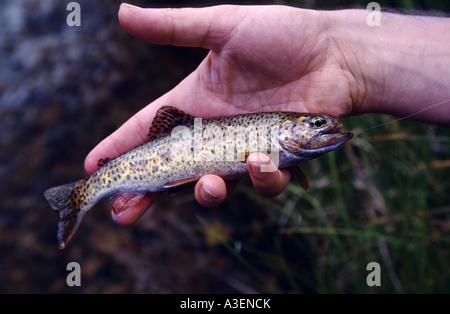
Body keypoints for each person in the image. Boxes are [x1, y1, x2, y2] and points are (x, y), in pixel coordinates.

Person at [84, 3, 450, 226]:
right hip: (160, 157)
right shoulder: (279, 142)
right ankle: (87, 194)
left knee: (217, 184)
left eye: (319, 124)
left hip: (176, 152)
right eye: (317, 124)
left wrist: (341, 51)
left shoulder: (283, 147)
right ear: (286, 130)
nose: (328, 127)